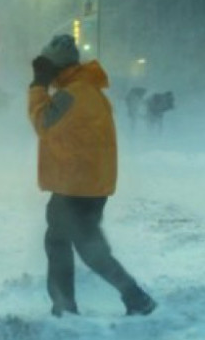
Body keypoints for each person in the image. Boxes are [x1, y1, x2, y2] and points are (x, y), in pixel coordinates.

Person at [28, 34, 157, 317]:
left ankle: (67, 307)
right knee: (85, 246)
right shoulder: (86, 89)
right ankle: (133, 297)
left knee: (65, 244)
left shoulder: (73, 94)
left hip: (75, 186)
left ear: (55, 67)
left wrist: (38, 86)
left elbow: (43, 123)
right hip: (87, 184)